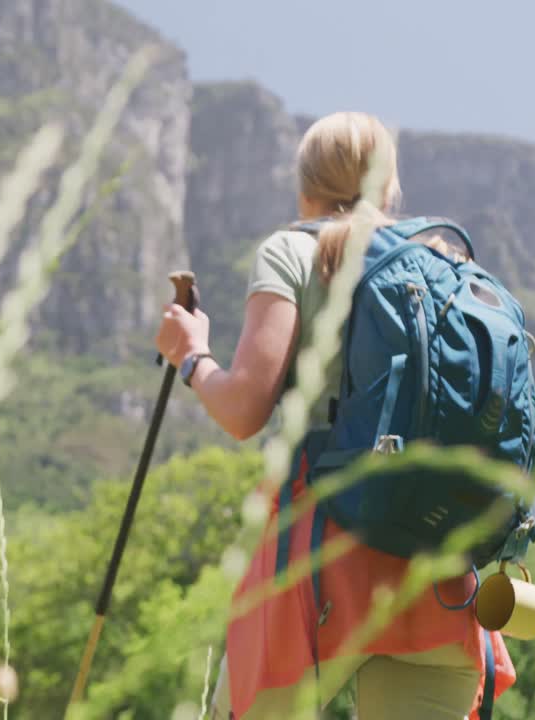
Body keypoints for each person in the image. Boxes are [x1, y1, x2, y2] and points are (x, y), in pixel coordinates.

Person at [154, 111, 516, 719]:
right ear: (388, 188)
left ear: (304, 184)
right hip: (436, 572)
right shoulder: (441, 261)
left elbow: (244, 410)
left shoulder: (292, 251)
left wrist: (192, 356)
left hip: (320, 561)